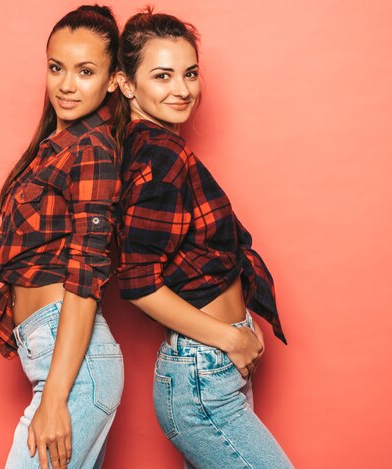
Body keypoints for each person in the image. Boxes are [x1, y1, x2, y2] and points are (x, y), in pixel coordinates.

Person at [115, 8, 293, 468]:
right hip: (203, 373)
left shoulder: (161, 148)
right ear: (126, 83)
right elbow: (138, 282)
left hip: (212, 366)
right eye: (162, 76)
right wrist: (229, 339)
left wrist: (236, 336)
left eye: (190, 73)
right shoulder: (158, 156)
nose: (182, 89)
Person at [0, 6, 124, 468]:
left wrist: (55, 399)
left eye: (85, 71)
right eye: (57, 67)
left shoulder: (94, 150)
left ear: (114, 79)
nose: (66, 84)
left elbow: (85, 279)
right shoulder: (55, 148)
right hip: (58, 359)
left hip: (75, 372)